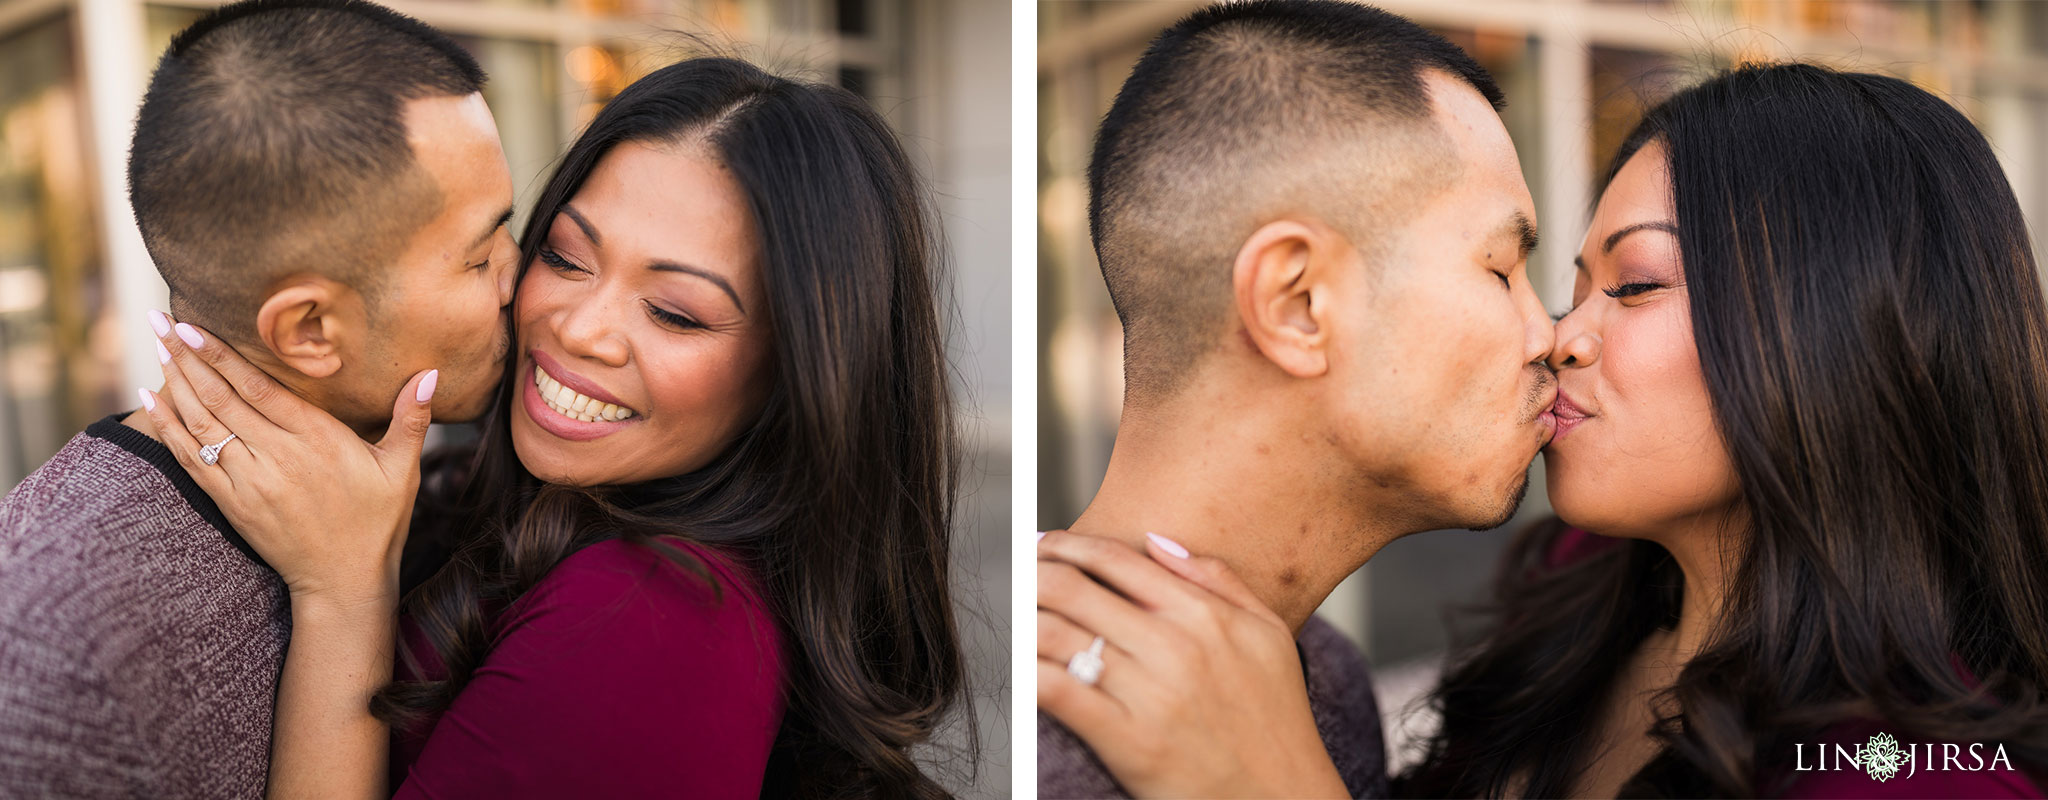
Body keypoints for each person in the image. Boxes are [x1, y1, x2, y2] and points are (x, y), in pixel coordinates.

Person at [1045, 63, 2048, 798]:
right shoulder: (1570, 589)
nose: (1557, 336)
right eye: (1532, 278)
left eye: (1635, 284)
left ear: (1841, 329)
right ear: (1294, 302)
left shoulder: (1923, 775)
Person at [140, 54, 968, 797]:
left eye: (675, 313)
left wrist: (343, 596)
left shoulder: (656, 622)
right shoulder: (540, 508)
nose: (577, 328)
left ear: (802, 372)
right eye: (567, 257)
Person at [1033, 0, 1557, 796]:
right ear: (1299, 302)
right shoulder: (1049, 752)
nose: (1546, 334)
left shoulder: (1326, 679)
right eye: (1499, 268)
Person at [0, 0, 516, 794]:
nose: (526, 276)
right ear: (311, 329)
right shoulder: (56, 650)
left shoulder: (404, 467)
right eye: (482, 259)